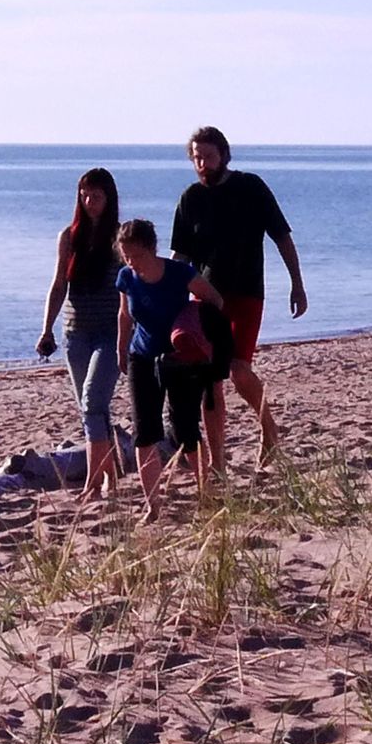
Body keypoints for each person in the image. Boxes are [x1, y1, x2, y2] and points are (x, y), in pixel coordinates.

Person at [171, 127, 305, 470]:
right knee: (208, 381)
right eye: (196, 158)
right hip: (205, 299)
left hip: (246, 293)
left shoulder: (250, 187)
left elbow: (282, 237)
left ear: (224, 156)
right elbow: (180, 256)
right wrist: (165, 297)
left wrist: (297, 284)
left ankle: (269, 431)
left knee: (238, 369)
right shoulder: (190, 198)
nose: (203, 163)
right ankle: (217, 462)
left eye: (209, 157)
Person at [112, 218, 230, 519]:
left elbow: (214, 300)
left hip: (180, 359)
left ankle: (206, 492)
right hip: (142, 357)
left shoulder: (180, 273)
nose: (131, 262)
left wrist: (196, 327)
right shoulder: (126, 277)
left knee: (185, 428)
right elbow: (125, 316)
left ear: (153, 248)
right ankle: (153, 506)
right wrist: (120, 350)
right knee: (144, 431)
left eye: (137, 255)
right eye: (126, 256)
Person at [34, 167, 131, 507]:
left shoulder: (120, 238)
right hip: (76, 333)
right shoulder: (69, 237)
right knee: (92, 409)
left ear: (109, 199)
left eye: (97, 196)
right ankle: (109, 475)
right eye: (85, 196)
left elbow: (133, 287)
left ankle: (94, 478)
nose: (90, 202)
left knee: (92, 401)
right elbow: (59, 284)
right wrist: (46, 328)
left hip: (111, 331)